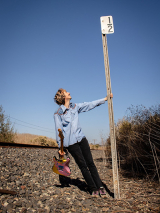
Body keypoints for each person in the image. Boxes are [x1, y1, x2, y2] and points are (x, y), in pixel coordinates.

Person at [54, 88, 113, 197]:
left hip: (81, 139)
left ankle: (99, 186)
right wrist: (60, 148)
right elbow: (59, 131)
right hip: (71, 143)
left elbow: (89, 104)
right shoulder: (58, 114)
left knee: (91, 163)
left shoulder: (75, 107)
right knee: (83, 165)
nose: (69, 92)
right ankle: (93, 188)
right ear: (63, 97)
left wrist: (105, 99)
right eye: (67, 92)